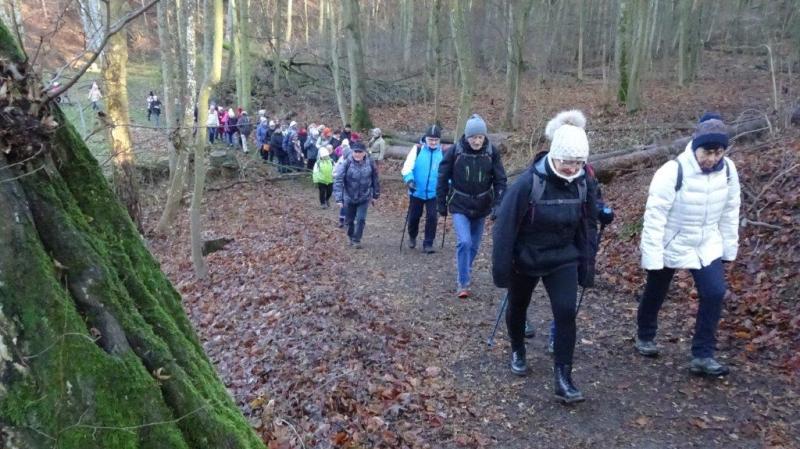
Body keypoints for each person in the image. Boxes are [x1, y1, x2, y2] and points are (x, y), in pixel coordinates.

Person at [492, 110, 601, 403]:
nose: (572, 168)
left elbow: (588, 225)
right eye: (567, 161)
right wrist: (502, 270)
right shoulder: (528, 184)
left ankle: (564, 378)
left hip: (562, 258)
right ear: (554, 155)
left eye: (578, 163)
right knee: (518, 307)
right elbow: (504, 229)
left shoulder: (584, 183)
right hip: (525, 258)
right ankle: (518, 348)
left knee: (566, 313)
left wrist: (587, 265)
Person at [635, 113, 741, 377]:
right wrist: (652, 255)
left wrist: (728, 249)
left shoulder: (729, 171)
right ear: (695, 147)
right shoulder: (672, 171)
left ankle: (703, 355)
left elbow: (730, 211)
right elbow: (655, 216)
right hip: (672, 239)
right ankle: (645, 335)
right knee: (657, 289)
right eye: (707, 152)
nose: (712, 158)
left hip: (706, 243)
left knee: (714, 293)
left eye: (718, 152)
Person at [437, 114, 507, 298]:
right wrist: (441, 203)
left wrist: (499, 204)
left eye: (480, 137)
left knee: (474, 246)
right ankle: (463, 283)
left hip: (482, 205)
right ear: (467, 136)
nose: (477, 141)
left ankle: (464, 269)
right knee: (465, 242)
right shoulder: (455, 151)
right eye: (473, 137)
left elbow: (500, 180)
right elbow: (442, 177)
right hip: (459, 204)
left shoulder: (491, 152)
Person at [401, 125, 444, 253]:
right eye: (431, 139)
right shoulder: (417, 149)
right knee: (414, 217)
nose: (433, 142)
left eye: (436, 140)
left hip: (434, 193)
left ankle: (428, 243)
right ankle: (412, 236)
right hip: (416, 191)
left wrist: (448, 184)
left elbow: (447, 172)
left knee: (432, 217)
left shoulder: (443, 152)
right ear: (425, 138)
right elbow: (407, 167)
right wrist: (410, 180)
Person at [333, 142, 380, 248]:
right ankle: (350, 236)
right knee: (349, 220)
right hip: (349, 197)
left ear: (364, 153)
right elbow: (338, 180)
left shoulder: (370, 162)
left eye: (360, 152)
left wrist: (375, 195)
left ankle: (356, 239)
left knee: (361, 219)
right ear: (352, 152)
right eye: (355, 152)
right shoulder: (346, 163)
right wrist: (339, 198)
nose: (357, 154)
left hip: (364, 197)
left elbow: (375, 179)